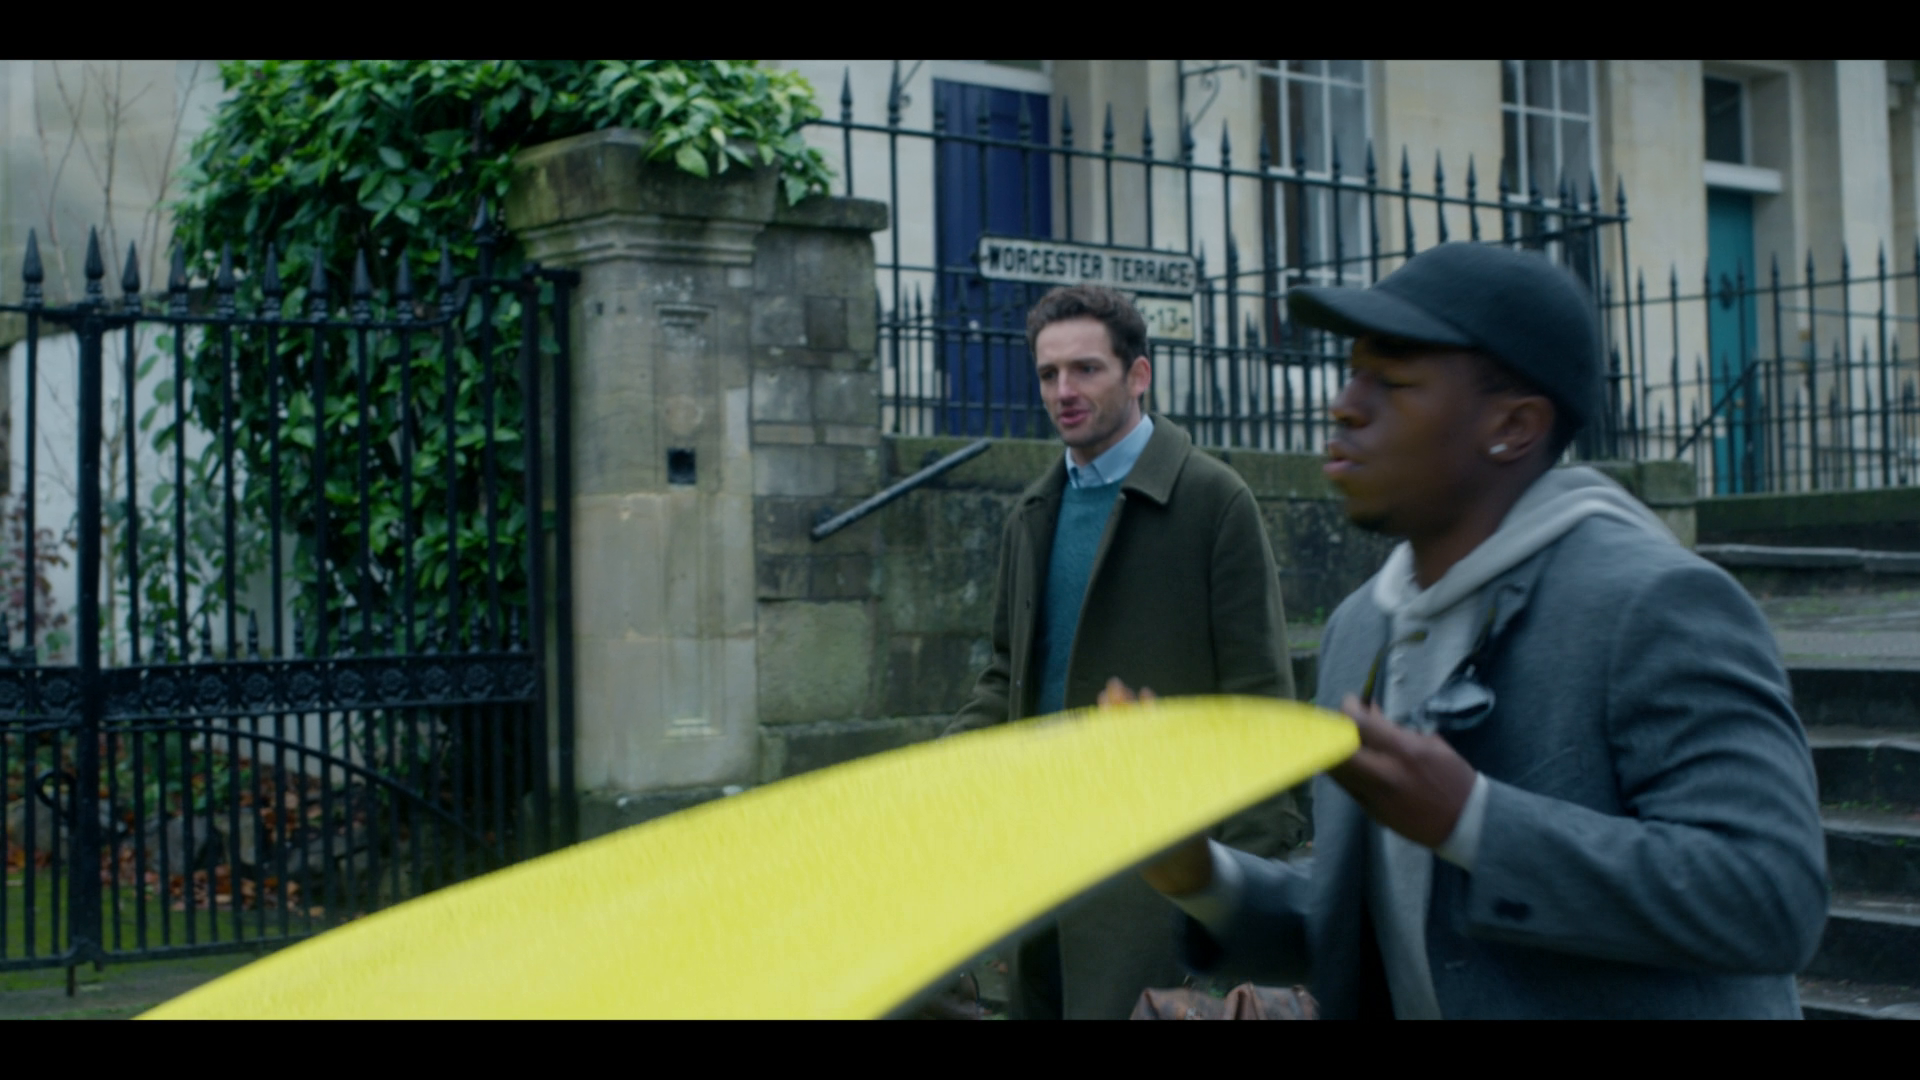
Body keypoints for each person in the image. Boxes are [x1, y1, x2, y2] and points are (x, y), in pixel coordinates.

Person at [1132, 242, 1829, 1019]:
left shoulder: (1657, 603)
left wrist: (1473, 821)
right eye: (1352, 371)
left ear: (1513, 426)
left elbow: (1772, 895)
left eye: (1393, 381)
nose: (1345, 405)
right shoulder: (1361, 629)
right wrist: (1203, 874)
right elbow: (1382, 925)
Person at [943, 284, 1299, 1020]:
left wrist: (1246, 903)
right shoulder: (1031, 512)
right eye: (1048, 374)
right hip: (1041, 868)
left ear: (1138, 375)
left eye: (1086, 369)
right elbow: (1008, 675)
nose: (1064, 392)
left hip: (1155, 884)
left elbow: (1260, 703)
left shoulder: (1215, 502)